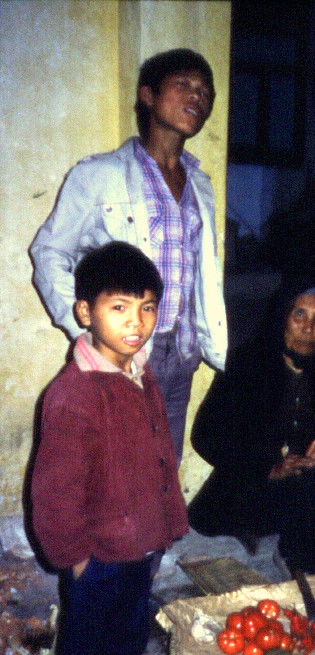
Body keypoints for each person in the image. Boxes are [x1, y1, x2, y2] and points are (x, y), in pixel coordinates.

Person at [31, 242, 189, 655]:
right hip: (96, 556)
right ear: (85, 312)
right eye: (119, 307)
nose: (136, 322)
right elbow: (53, 494)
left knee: (126, 639)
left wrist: (167, 525)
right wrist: (72, 559)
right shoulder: (73, 395)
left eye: (147, 307)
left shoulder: (140, 377)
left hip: (140, 548)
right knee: (82, 650)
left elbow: (159, 457)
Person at [30, 48, 227, 461]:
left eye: (206, 92)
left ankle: (161, 530)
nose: (198, 97)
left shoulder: (200, 182)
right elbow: (49, 250)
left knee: (162, 467)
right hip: (123, 353)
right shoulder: (100, 175)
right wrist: (85, 326)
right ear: (148, 96)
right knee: (116, 472)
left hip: (183, 352)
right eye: (184, 85)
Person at [189, 283, 315, 578]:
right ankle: (305, 569)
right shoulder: (248, 364)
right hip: (255, 482)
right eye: (299, 314)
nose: (309, 327)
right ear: (282, 318)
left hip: (312, 476)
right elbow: (206, 436)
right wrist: (270, 466)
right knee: (308, 490)